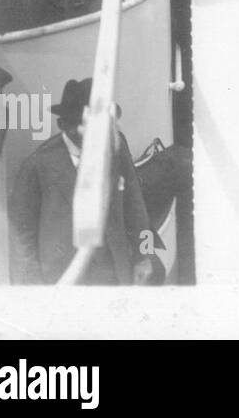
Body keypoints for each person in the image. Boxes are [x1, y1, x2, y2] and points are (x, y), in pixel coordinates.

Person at [8, 78, 155, 286]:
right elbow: (21, 239)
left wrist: (144, 256)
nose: (98, 136)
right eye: (87, 126)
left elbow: (136, 205)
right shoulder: (37, 166)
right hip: (65, 280)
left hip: (115, 274)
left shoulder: (116, 145)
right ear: (64, 125)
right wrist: (35, 292)